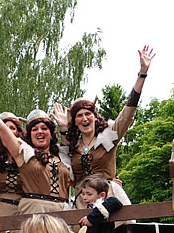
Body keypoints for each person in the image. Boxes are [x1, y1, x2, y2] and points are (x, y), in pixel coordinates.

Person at [51, 45, 155, 209]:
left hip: (108, 198)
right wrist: (63, 127)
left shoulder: (109, 135)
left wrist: (142, 73)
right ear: (75, 121)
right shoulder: (73, 144)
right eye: (79, 115)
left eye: (88, 114)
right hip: (82, 203)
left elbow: (128, 112)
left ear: (95, 117)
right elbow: (65, 163)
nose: (84, 118)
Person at [0, 80, 72, 222]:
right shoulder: (26, 154)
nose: (40, 132)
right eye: (34, 129)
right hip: (33, 212)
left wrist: (64, 127)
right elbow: (1, 127)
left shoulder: (62, 155)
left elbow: (71, 147)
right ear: (29, 135)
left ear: (51, 133)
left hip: (61, 213)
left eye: (44, 128)